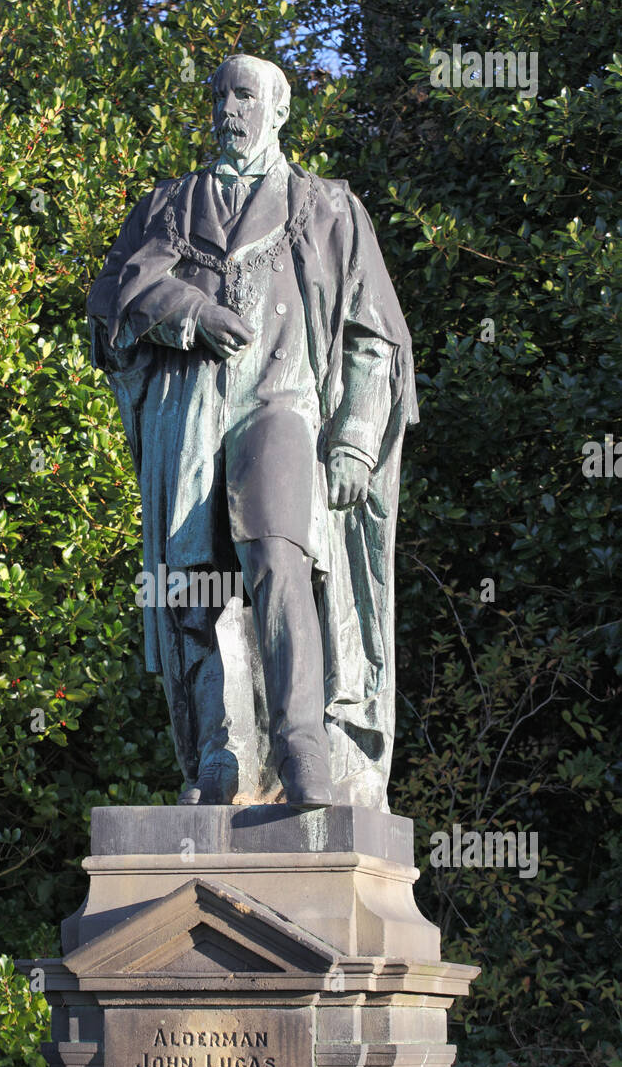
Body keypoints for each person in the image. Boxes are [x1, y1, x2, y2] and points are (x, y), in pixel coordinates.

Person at [87, 54, 417, 810]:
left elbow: (376, 339)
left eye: (243, 96)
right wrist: (189, 312)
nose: (227, 110)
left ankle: (304, 752)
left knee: (277, 556)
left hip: (283, 407)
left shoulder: (328, 207)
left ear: (279, 110)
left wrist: (357, 441)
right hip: (191, 417)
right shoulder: (168, 206)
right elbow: (111, 306)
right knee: (194, 585)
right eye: (219, 96)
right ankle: (219, 753)